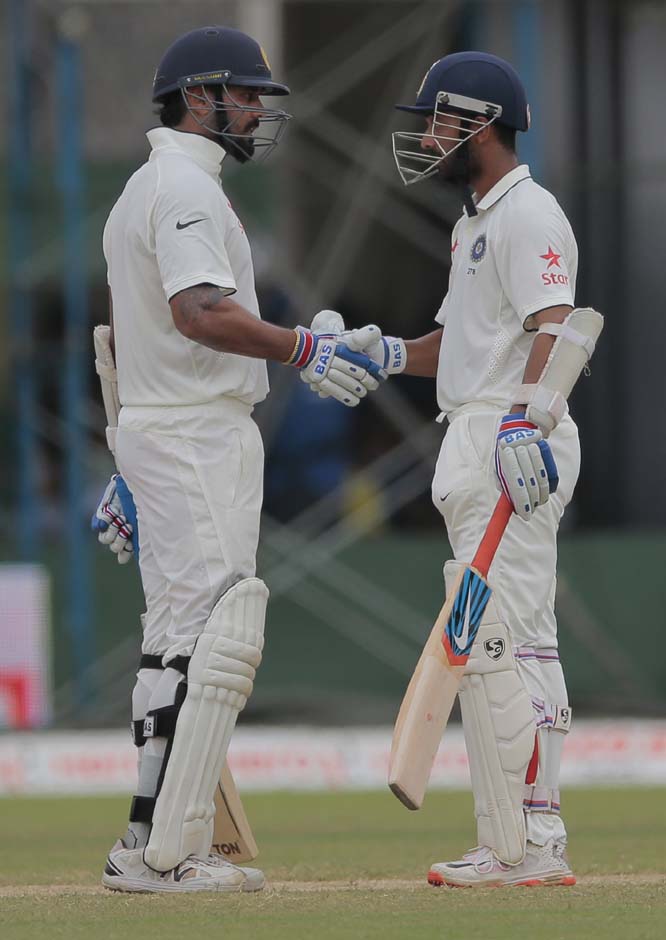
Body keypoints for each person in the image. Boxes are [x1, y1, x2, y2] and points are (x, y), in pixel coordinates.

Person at [93, 25, 384, 895]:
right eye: (245, 95)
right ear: (198, 97)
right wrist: (305, 350)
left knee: (176, 636)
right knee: (219, 632)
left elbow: (126, 340)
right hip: (195, 434)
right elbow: (195, 312)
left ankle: (146, 838)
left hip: (169, 429)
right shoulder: (181, 186)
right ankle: (165, 854)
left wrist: (124, 454)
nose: (257, 110)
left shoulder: (150, 185)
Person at [336, 51, 603, 887]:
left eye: (441, 121)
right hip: (478, 431)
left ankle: (530, 843)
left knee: (513, 641)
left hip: (512, 435)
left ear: (483, 124)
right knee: (501, 639)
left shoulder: (530, 214)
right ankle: (519, 839)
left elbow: (557, 322)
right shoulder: (472, 224)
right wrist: (382, 351)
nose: (428, 135)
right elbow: (457, 345)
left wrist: (528, 422)